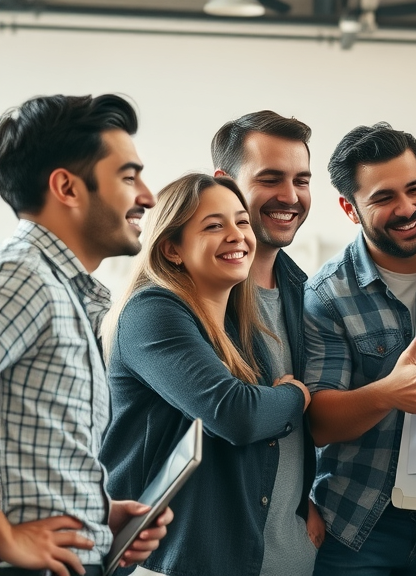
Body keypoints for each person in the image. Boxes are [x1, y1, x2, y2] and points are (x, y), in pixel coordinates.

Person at [99, 174, 311, 575]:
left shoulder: (240, 329)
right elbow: (237, 414)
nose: (237, 235)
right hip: (160, 562)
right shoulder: (152, 312)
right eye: (214, 225)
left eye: (241, 221)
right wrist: (294, 396)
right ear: (172, 249)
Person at [0, 93, 171, 576]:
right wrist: (8, 539)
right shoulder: (24, 277)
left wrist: (97, 514)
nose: (148, 196)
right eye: (128, 176)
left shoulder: (62, 289)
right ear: (67, 188)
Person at [304, 123, 416, 576]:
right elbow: (319, 422)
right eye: (383, 199)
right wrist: (389, 393)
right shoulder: (327, 295)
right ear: (350, 207)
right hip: (358, 524)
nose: (407, 209)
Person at [211, 111, 324, 571]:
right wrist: (293, 396)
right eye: (271, 178)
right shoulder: (188, 301)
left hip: (291, 558)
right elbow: (233, 417)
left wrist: (304, 498)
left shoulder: (309, 294)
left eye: (302, 180)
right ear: (224, 183)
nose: (290, 196)